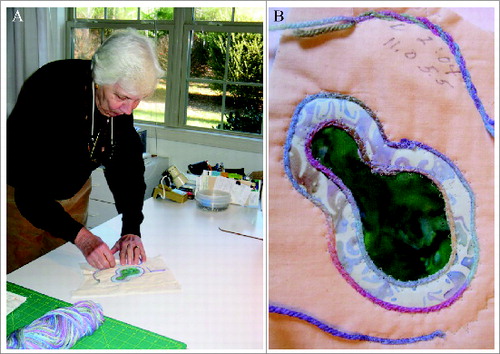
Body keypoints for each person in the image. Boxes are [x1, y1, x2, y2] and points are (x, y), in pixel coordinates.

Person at [7, 28, 164, 273]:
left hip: (73, 194)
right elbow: (29, 194)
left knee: (62, 277)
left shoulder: (118, 104)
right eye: (122, 97)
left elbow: (127, 169)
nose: (128, 110)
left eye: (137, 100)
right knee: (22, 278)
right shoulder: (50, 88)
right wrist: (84, 238)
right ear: (100, 79)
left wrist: (131, 229)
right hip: (22, 198)